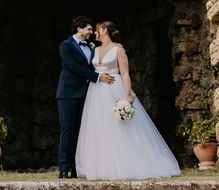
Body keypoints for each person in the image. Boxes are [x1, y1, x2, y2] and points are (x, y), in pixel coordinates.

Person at [75, 21, 181, 180]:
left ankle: (126, 163)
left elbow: (125, 74)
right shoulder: (94, 49)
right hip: (96, 92)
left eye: (97, 29)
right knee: (99, 126)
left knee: (119, 126)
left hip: (113, 89)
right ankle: (102, 166)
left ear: (105, 30)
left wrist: (127, 95)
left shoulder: (118, 49)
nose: (95, 32)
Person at [56, 16, 115, 179]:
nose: (91, 32)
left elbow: (92, 65)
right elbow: (71, 66)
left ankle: (77, 168)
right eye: (89, 29)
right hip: (67, 94)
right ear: (79, 29)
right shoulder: (65, 45)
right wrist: (97, 77)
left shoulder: (91, 46)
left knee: (81, 132)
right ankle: (63, 168)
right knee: (67, 130)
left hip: (87, 94)